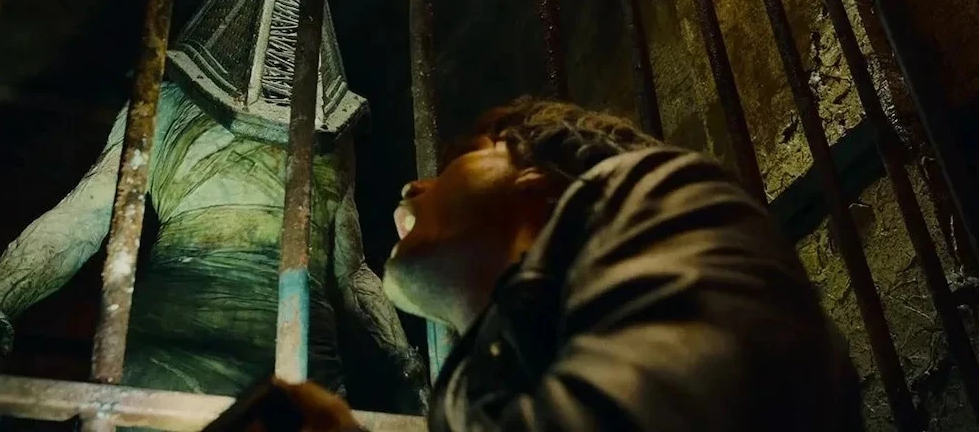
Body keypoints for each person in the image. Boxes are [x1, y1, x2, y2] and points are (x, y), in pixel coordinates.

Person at [271, 96, 863, 431]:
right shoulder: (469, 395)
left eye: (455, 162)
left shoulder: (663, 195)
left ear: (532, 169)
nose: (412, 186)